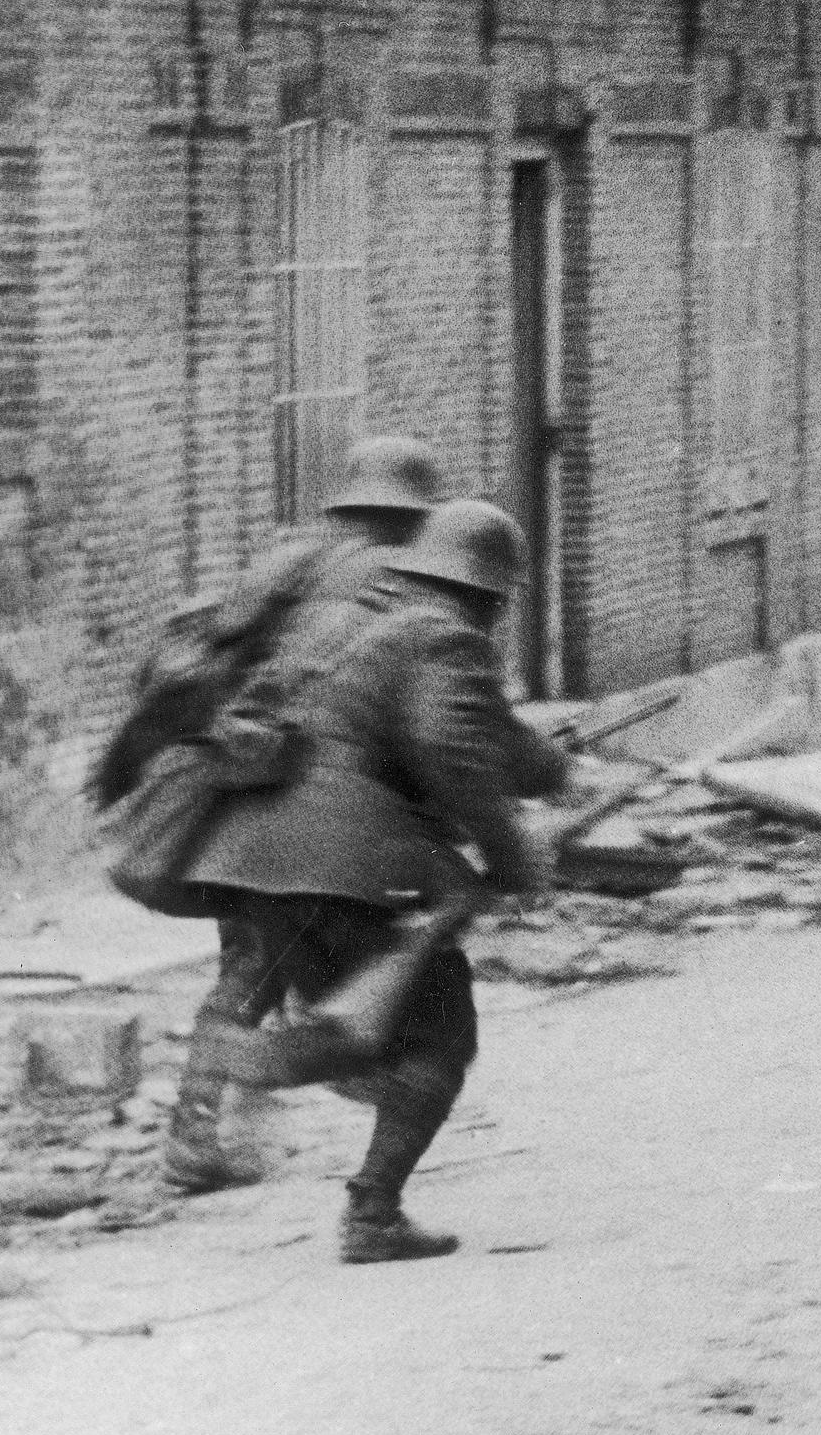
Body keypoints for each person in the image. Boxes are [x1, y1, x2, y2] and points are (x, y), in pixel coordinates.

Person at [172, 500, 566, 1263]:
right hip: (345, 860)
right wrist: (516, 855)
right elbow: (447, 744)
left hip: (254, 853)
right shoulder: (445, 635)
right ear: (488, 591)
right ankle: (372, 1210)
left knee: (365, 1013)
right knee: (441, 1034)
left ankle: (262, 1058)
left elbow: (476, 733)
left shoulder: (350, 621)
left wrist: (550, 766)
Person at [136, 436, 451, 1196]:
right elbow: (412, 722)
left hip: (239, 788)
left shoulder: (289, 560)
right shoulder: (404, 586)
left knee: (249, 959)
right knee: (323, 961)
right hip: (316, 812)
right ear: (415, 514)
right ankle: (315, 1102)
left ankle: (203, 1129)